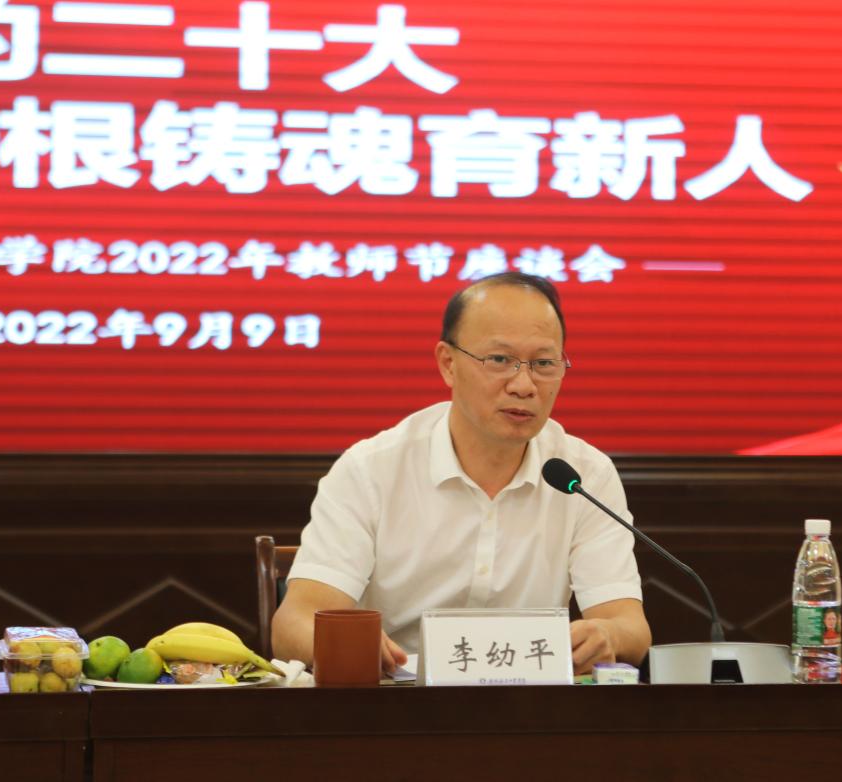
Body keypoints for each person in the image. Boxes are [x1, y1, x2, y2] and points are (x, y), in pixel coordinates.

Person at [271, 272, 651, 675]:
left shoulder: (584, 475)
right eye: (499, 360)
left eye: (543, 363)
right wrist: (348, 642)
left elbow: (629, 626)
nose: (524, 385)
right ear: (448, 364)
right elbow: (295, 623)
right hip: (395, 698)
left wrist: (608, 635)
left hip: (532, 702)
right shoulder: (371, 470)